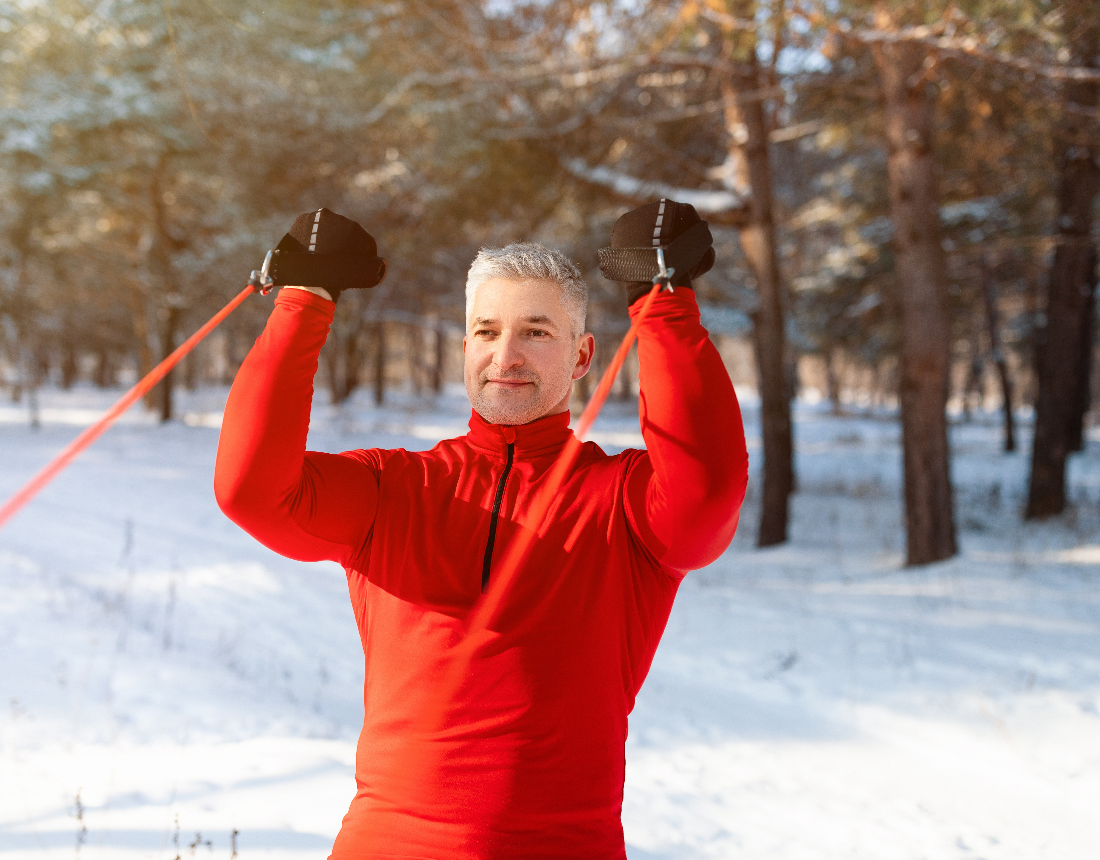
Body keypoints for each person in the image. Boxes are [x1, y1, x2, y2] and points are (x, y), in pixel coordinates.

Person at [214, 200, 748, 860]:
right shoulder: (395, 489)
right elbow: (252, 489)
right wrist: (304, 297)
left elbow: (706, 499)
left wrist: (661, 302)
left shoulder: (622, 500)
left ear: (583, 356)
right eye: (488, 331)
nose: (507, 354)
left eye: (536, 331)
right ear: (464, 348)